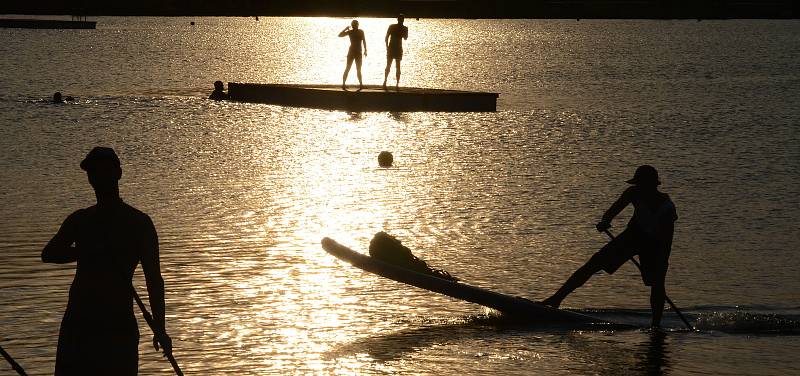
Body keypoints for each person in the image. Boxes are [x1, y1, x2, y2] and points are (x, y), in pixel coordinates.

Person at [42, 147, 172, 375]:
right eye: (93, 172)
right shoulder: (81, 220)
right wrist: (87, 252)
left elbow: (154, 280)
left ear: (118, 174)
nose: (98, 177)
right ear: (90, 179)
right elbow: (49, 253)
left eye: (103, 171)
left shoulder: (138, 223)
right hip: (80, 323)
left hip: (116, 323)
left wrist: (160, 328)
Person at [541, 165, 678, 327]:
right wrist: (605, 221)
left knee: (656, 283)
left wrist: (662, 261)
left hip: (655, 246)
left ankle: (655, 325)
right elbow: (613, 211)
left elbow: (667, 239)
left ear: (651, 184)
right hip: (631, 237)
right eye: (637, 183)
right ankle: (556, 299)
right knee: (593, 264)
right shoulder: (633, 193)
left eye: (640, 183)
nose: (637, 186)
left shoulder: (667, 207)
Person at [339, 20, 367, 90]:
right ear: (353, 25)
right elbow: (339, 35)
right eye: (355, 25)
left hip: (357, 52)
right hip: (353, 52)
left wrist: (365, 50)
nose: (356, 26)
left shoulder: (358, 31)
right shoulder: (352, 32)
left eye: (356, 24)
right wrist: (345, 29)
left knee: (357, 69)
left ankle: (360, 84)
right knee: (349, 68)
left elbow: (364, 41)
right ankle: (344, 84)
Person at [383, 15, 408, 89]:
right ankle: (388, 82)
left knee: (394, 66)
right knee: (393, 66)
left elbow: (405, 38)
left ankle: (392, 83)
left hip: (395, 48)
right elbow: (387, 37)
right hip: (394, 49)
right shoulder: (399, 28)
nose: (401, 21)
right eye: (401, 19)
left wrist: (387, 47)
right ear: (401, 20)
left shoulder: (401, 28)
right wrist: (387, 47)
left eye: (401, 19)